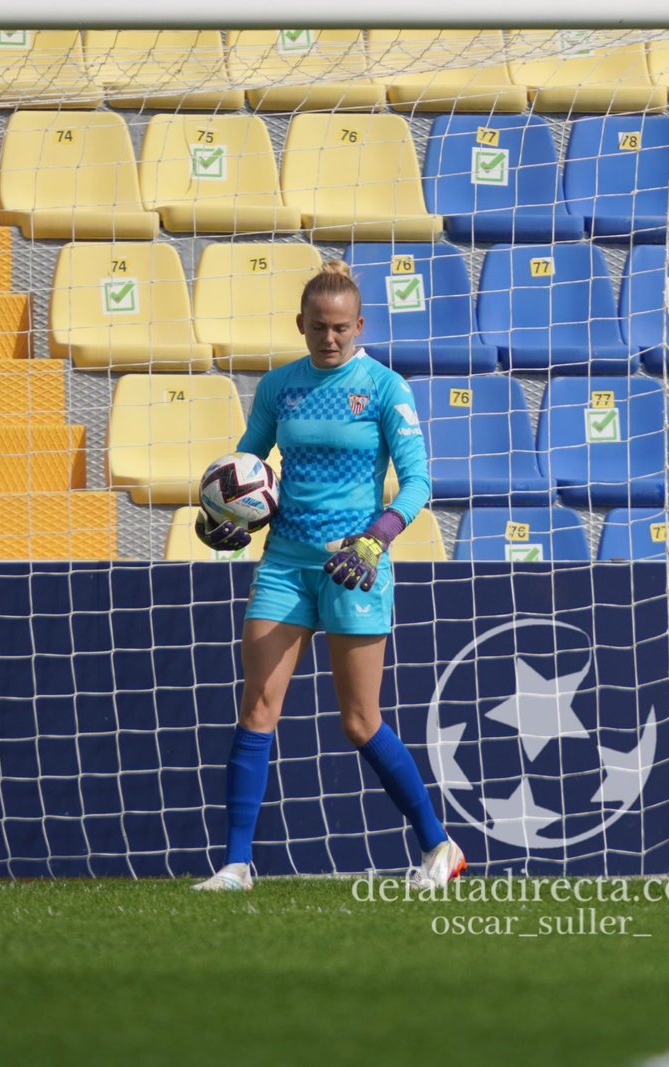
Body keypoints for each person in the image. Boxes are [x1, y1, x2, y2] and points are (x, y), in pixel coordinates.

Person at [192, 260, 465, 892]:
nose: (331, 338)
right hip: (286, 562)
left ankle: (439, 847)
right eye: (319, 327)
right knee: (257, 707)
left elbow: (420, 481)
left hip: (356, 565)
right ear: (301, 325)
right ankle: (235, 865)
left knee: (359, 722)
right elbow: (246, 466)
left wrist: (377, 539)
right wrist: (223, 520)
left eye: (342, 328)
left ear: (360, 325)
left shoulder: (386, 388)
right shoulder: (278, 387)